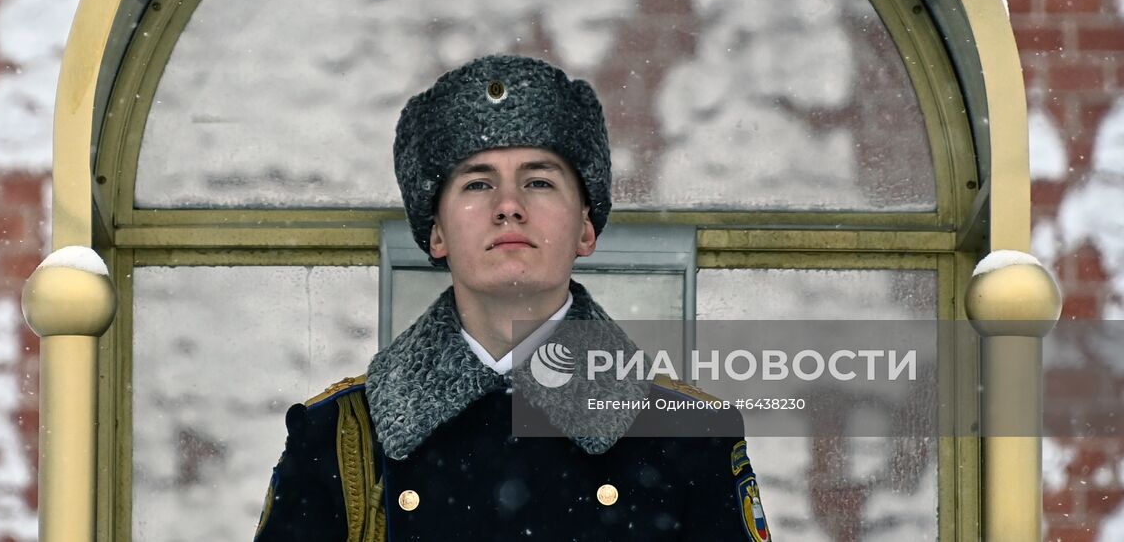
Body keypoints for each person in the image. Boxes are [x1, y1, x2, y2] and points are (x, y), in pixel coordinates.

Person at [253, 55, 771, 541]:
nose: (508, 207)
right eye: (477, 184)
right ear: (436, 234)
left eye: (539, 181)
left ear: (586, 230)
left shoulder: (690, 437)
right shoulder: (337, 440)